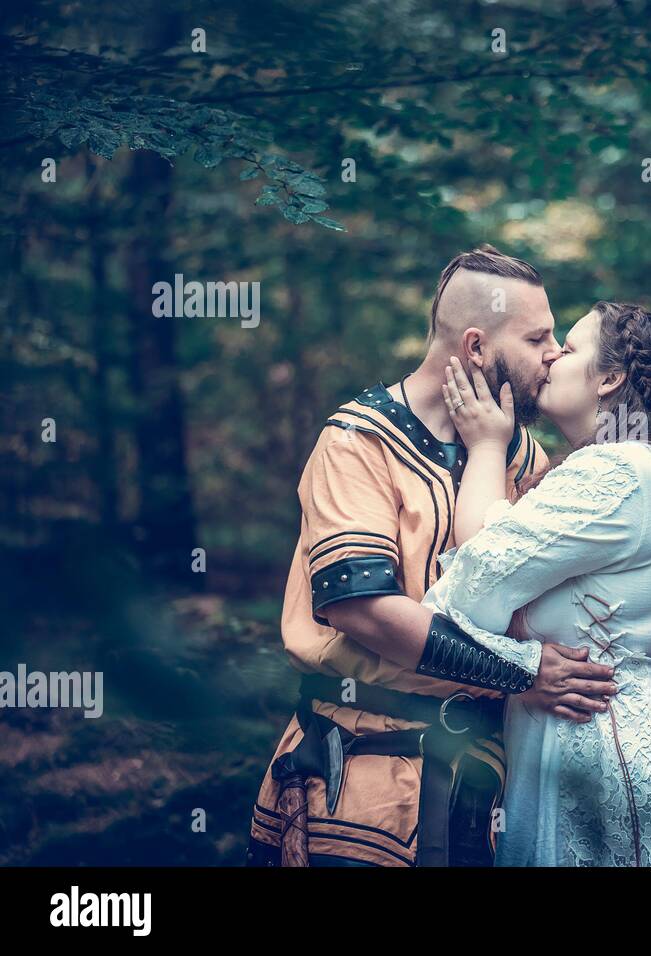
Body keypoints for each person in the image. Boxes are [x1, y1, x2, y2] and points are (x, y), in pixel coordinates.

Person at [245, 246, 618, 867]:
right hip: (359, 776)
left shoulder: (523, 459)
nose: (555, 352)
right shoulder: (356, 443)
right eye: (538, 337)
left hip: (485, 780)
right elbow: (364, 612)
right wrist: (522, 673)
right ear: (475, 348)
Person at [423, 300, 651, 866]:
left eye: (567, 348)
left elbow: (472, 584)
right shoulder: (634, 467)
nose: (549, 357)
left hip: (598, 745)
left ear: (610, 379)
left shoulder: (616, 471)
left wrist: (488, 447)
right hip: (587, 734)